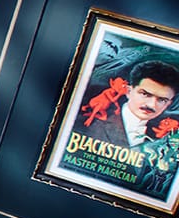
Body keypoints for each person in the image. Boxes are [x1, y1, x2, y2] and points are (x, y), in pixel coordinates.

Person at [63, 56, 179, 196]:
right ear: (129, 91)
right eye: (145, 94)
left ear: (169, 104)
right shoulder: (83, 123)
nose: (151, 105)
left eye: (162, 100)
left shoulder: (166, 140)